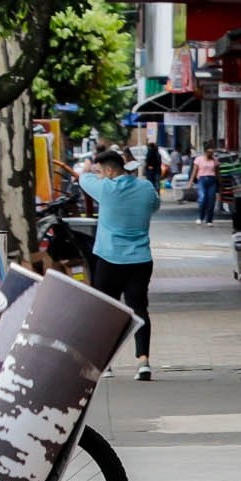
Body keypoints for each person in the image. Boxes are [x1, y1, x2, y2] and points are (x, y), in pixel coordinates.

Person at [78, 144, 161, 380]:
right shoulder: (146, 188)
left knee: (106, 311)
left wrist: (88, 166)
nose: (101, 175)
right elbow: (154, 206)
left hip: (109, 259)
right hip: (140, 259)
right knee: (139, 309)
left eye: (102, 171)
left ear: (110, 171)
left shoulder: (106, 188)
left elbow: (83, 178)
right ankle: (143, 362)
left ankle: (105, 364)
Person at [194, 145, 219, 223]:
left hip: (212, 180)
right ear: (205, 152)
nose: (210, 154)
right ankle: (201, 217)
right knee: (203, 198)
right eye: (209, 152)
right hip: (202, 179)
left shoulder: (215, 160)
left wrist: (220, 183)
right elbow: (195, 171)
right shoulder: (199, 160)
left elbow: (218, 172)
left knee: (211, 200)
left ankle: (209, 220)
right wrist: (191, 181)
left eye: (212, 152)